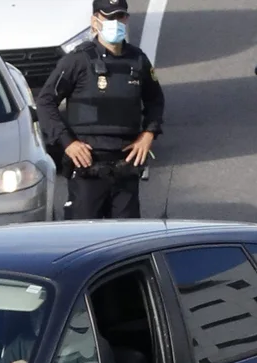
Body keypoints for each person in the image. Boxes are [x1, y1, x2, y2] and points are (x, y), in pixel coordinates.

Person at [36, 0, 165, 220]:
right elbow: (46, 101)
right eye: (109, 17)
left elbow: (155, 100)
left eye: (120, 16)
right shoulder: (77, 60)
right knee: (84, 237)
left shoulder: (138, 59)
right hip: (88, 164)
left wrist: (148, 135)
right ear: (95, 21)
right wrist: (68, 143)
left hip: (125, 164)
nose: (115, 22)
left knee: (127, 240)